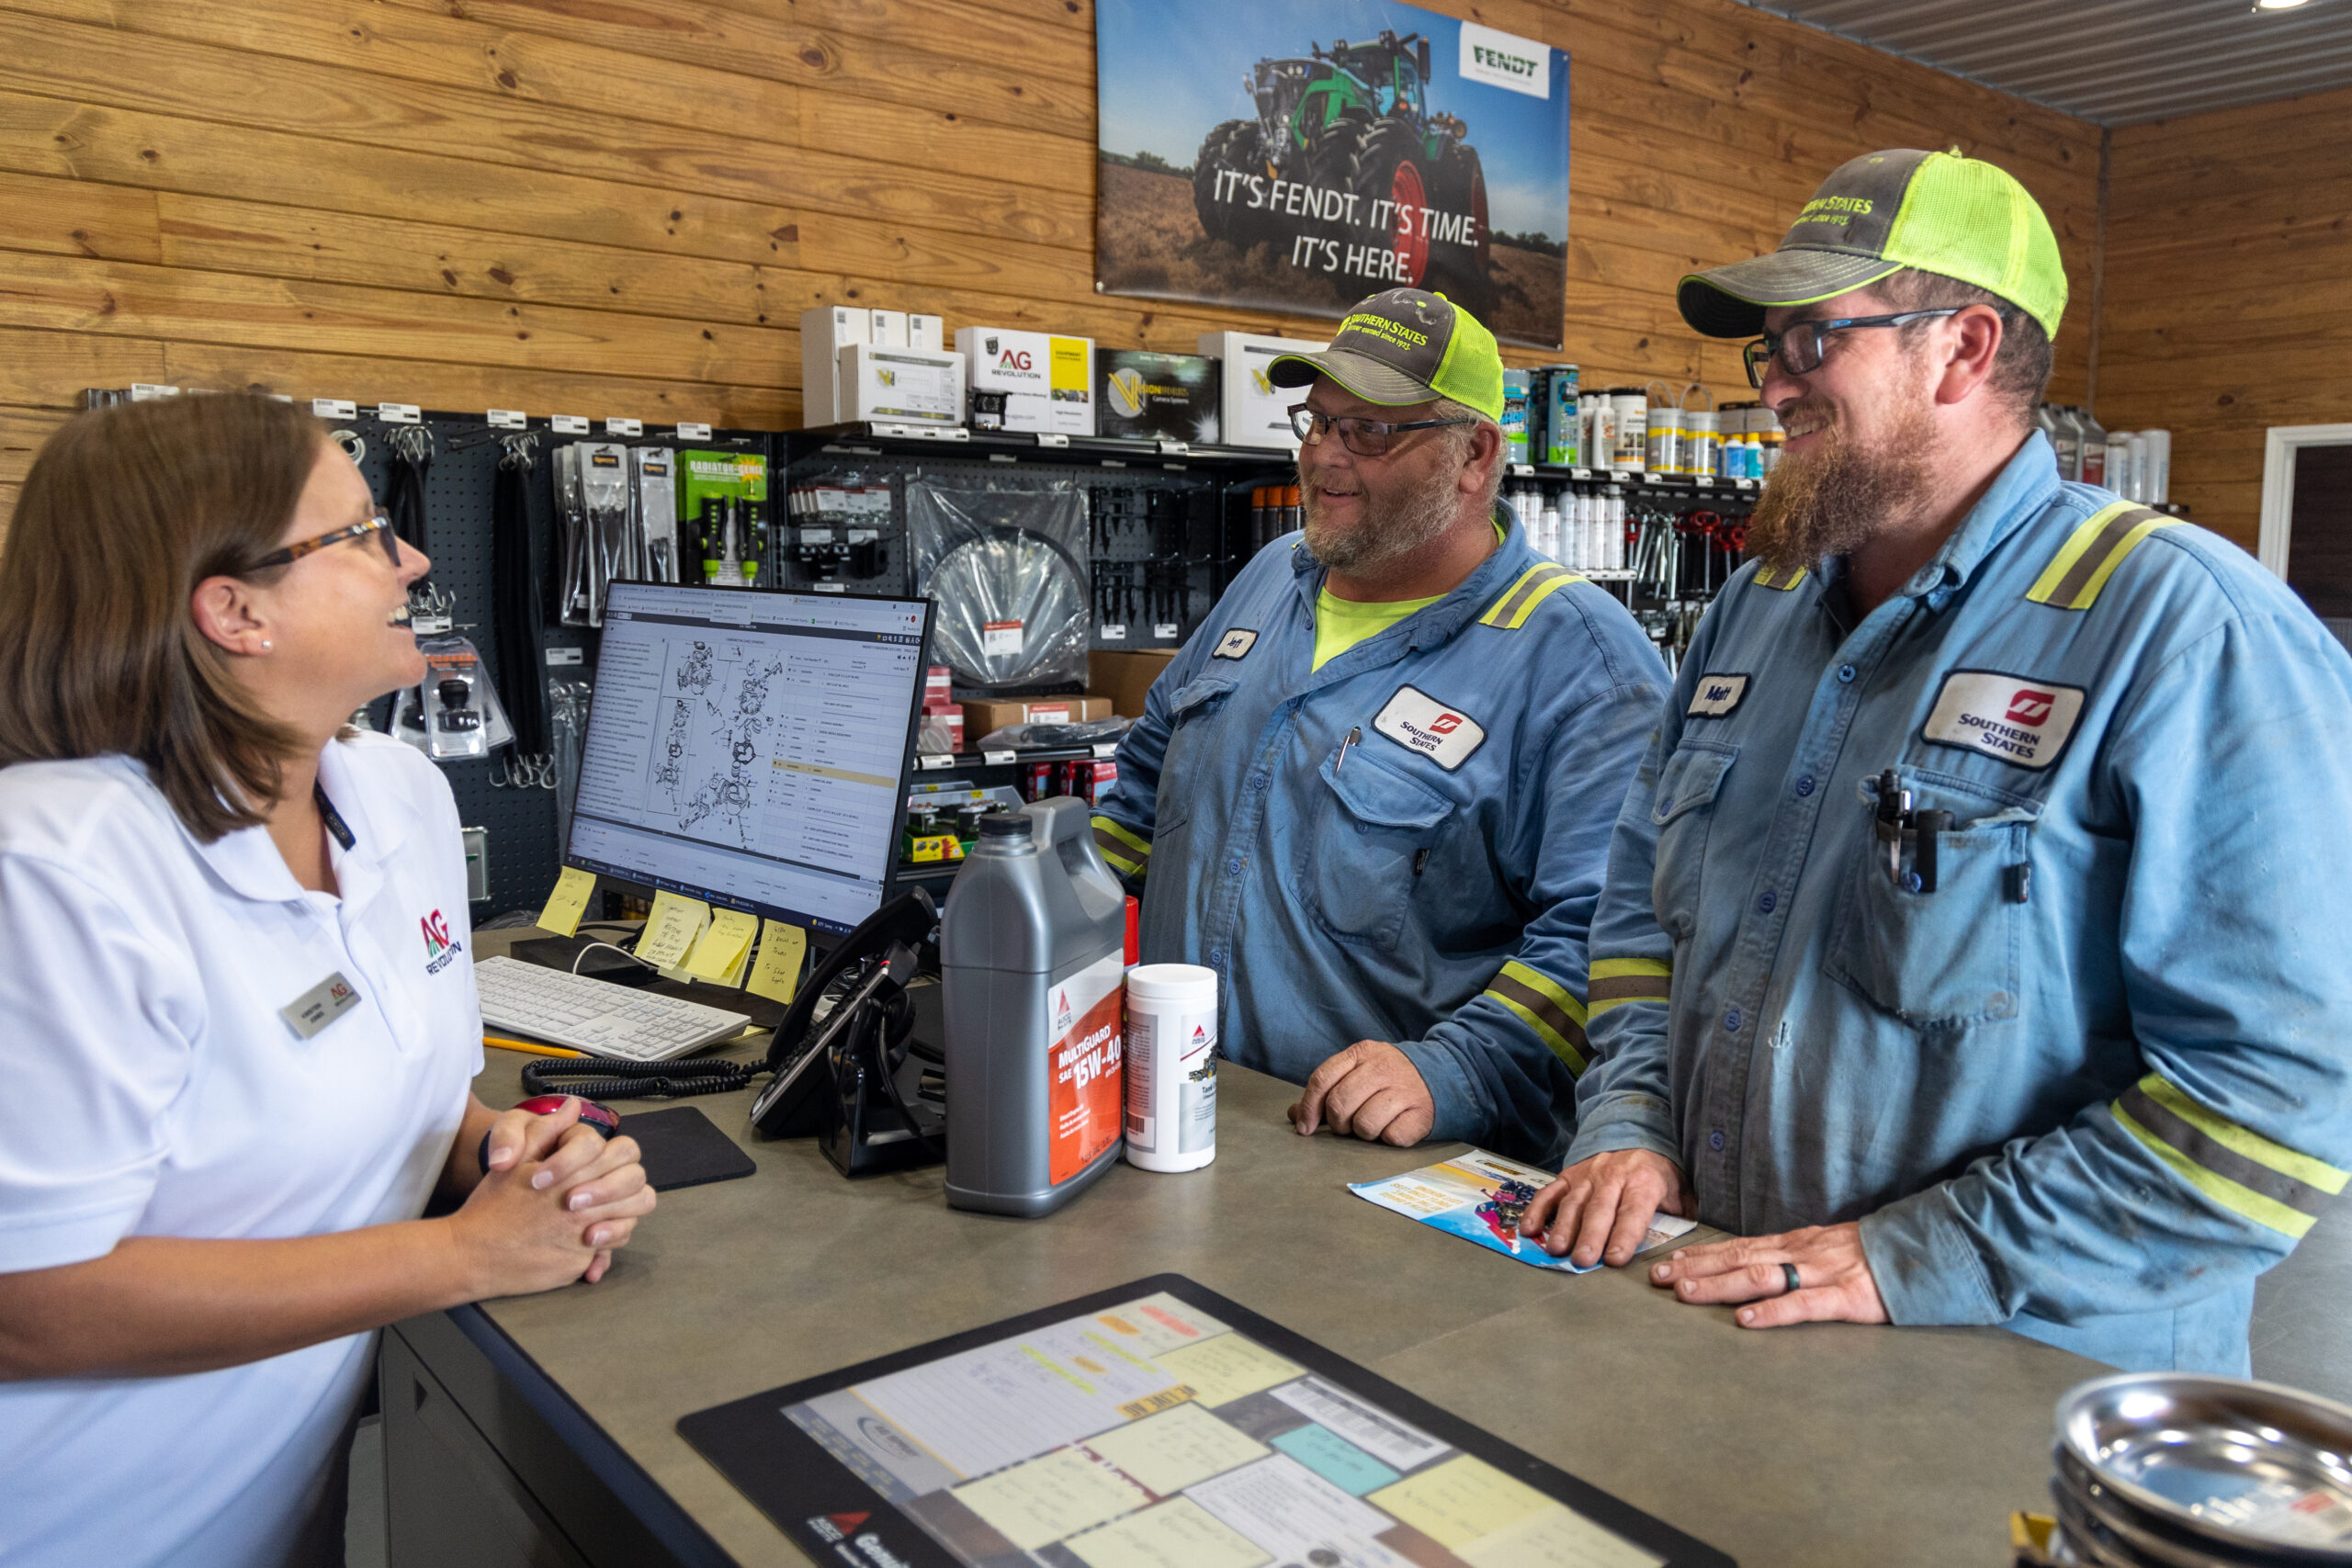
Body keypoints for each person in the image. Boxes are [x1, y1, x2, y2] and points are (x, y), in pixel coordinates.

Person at [1519, 148, 2352, 1373]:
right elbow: (1647, 922)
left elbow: (2272, 1100)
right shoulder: (1754, 607)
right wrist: (1633, 1117)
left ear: (1963, 348)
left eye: (1814, 343)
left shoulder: (2181, 627)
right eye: (1769, 352)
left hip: (2012, 1380)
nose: (1771, 391)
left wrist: (1915, 1253)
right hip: (1723, 1327)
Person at [0, 394, 657, 1567]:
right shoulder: (50, 871)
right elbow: (27, 1300)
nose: (409, 558)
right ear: (235, 611)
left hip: (272, 1509)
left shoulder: (394, 789)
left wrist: (524, 1157)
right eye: (359, 535)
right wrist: (465, 1256)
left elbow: (418, 1101)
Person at [1091, 289, 1668, 1163]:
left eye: (1367, 431)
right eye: (1316, 422)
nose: (1322, 456)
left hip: (1393, 1173)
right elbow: (1143, 792)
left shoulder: (1583, 664)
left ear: (1473, 455)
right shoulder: (1268, 580)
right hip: (1187, 1123)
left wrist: (1455, 1070)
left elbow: (1607, 938)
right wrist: (1042, 921)